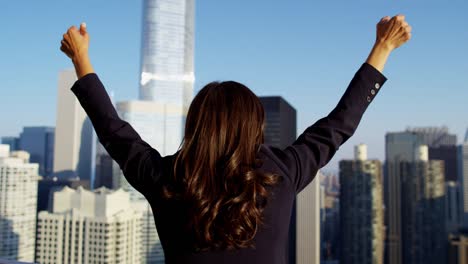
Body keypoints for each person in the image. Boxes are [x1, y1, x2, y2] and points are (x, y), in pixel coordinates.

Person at [60, 15, 411, 264]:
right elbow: (340, 124)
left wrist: (81, 58)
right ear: (254, 126)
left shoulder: (164, 178)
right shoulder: (282, 173)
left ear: (195, 124)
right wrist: (382, 47)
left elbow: (112, 130)